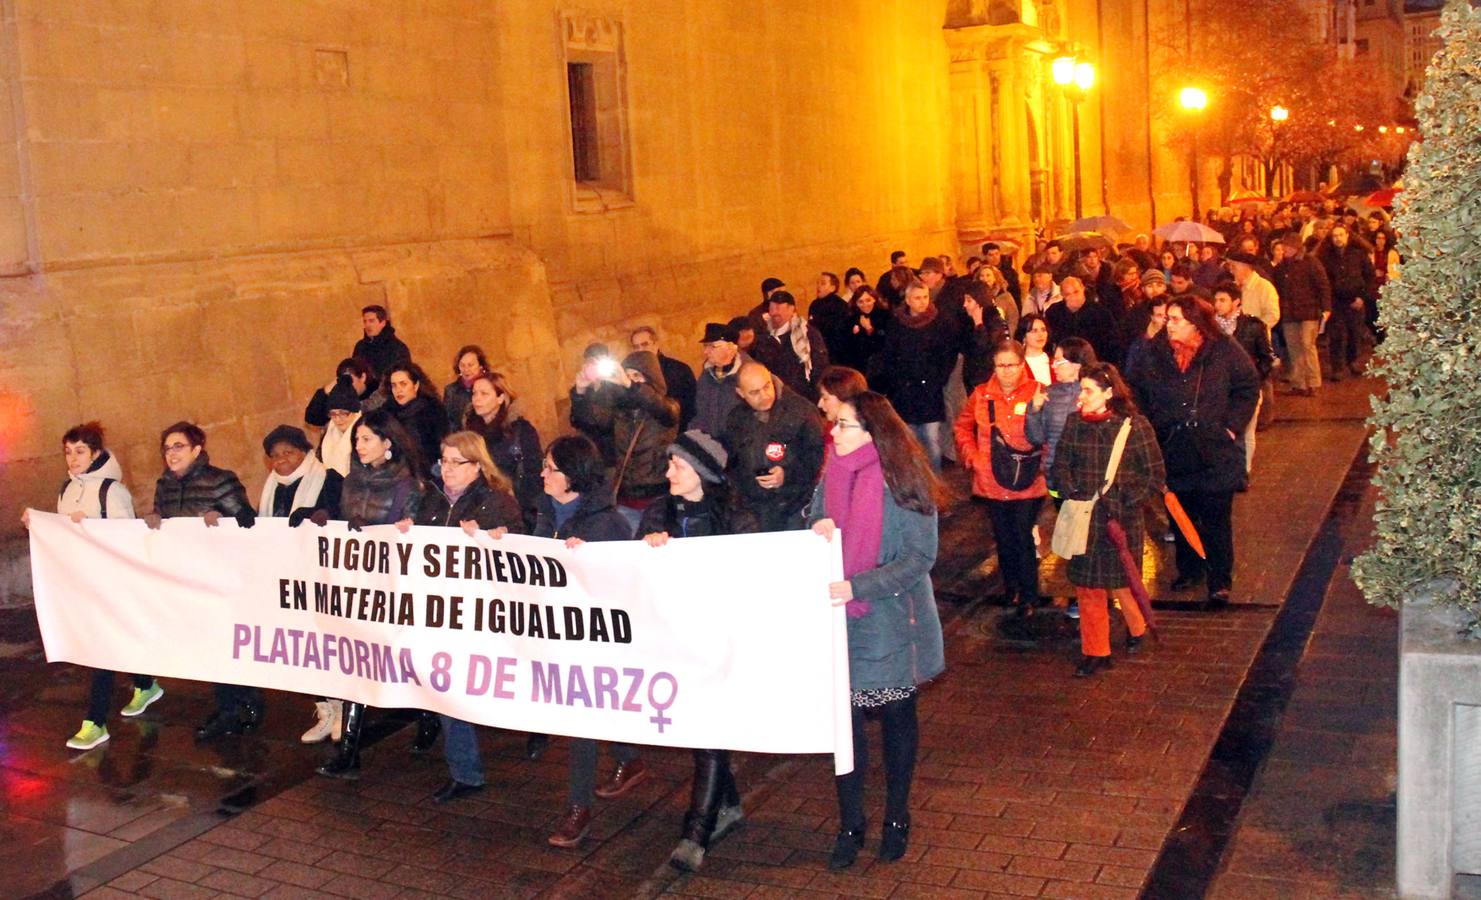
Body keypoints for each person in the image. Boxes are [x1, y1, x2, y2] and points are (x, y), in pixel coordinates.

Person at [810, 391, 945, 870]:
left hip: (890, 622)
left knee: (895, 724)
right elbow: (809, 522)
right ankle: (850, 822)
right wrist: (818, 527)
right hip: (838, 623)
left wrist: (858, 585)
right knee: (845, 731)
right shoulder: (832, 472)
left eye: (845, 425)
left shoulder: (902, 480)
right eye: (836, 423)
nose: (834, 432)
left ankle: (896, 817)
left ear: (873, 433)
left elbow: (918, 558)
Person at [639, 431, 752, 871]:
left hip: (721, 641)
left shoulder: (734, 516)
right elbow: (632, 571)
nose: (668, 473)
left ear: (702, 472)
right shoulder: (660, 513)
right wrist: (647, 546)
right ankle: (729, 804)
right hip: (676, 641)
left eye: (677, 466)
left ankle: (696, 831)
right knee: (698, 730)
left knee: (707, 732)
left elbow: (754, 568)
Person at [23, 422, 163, 751]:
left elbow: (126, 537)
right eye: (68, 452)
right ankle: (145, 683)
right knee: (111, 641)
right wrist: (40, 524)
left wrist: (91, 526)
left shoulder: (112, 492)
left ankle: (95, 722)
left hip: (111, 583)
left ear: (96, 453)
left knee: (101, 647)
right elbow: (62, 533)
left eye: (80, 451)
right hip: (84, 581)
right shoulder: (66, 489)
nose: (72, 459)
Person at [538, 435, 641, 848]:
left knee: (582, 717)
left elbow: (623, 586)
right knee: (597, 707)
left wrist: (588, 566)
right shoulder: (547, 512)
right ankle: (629, 756)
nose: (543, 475)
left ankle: (578, 809)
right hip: (560, 628)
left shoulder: (606, 523)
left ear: (573, 476)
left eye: (551, 469)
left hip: (595, 638)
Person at [1126, 297, 1259, 609]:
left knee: (1215, 518)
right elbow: (1136, 391)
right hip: (1173, 446)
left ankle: (1219, 580)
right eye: (1167, 318)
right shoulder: (1153, 352)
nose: (1167, 324)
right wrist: (1151, 427)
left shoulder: (1223, 349)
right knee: (1180, 513)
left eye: (1175, 319)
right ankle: (1189, 569)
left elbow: (1247, 386)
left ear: (1196, 323)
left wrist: (1230, 426)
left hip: (1214, 448)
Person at [416, 431, 526, 804]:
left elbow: (519, 557)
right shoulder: (430, 501)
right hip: (440, 613)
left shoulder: (497, 504)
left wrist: (493, 541)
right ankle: (465, 771)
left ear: (477, 466)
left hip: (482, 615)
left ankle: (533, 731)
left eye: (456, 462)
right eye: (443, 461)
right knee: (448, 690)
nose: (446, 469)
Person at [318, 410, 426, 778]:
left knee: (404, 660)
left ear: (387, 444)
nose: (359, 446)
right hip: (358, 587)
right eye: (357, 440)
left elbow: (416, 538)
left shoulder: (408, 487)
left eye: (366, 439)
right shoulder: (351, 482)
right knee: (355, 662)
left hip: (393, 589)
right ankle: (349, 751)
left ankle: (428, 716)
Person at [146, 422, 259, 741]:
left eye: (178, 446)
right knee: (210, 646)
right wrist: (155, 519)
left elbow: (248, 521)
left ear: (197, 449)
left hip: (221, 577)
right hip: (188, 578)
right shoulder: (165, 485)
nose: (171, 454)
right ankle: (232, 705)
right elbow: (165, 520)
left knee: (226, 643)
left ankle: (239, 706)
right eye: (167, 448)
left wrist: (223, 521)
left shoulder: (220, 479)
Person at [1052, 362, 1165, 677]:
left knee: (1124, 581)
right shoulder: (1075, 423)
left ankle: (1136, 627)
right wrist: (1070, 490)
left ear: (1109, 393)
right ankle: (1096, 651)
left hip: (1120, 521)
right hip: (1085, 519)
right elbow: (1061, 464)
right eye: (1081, 389)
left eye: (1088, 390)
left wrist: (1128, 501)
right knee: (1089, 588)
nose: (1081, 397)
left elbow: (1154, 474)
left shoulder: (1135, 427)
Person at [256, 425, 344, 744]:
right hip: (289, 577)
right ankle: (324, 709)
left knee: (328, 643)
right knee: (304, 648)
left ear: (304, 452)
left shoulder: (329, 478)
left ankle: (343, 707)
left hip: (322, 577)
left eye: (289, 452)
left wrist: (320, 514)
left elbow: (341, 516)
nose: (282, 460)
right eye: (275, 455)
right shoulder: (271, 488)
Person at [954, 341, 1049, 615]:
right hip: (991, 481)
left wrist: (1044, 461)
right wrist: (973, 457)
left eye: (1012, 365)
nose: (1006, 371)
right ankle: (1012, 589)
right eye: (1001, 365)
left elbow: (1049, 432)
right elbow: (962, 426)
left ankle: (1029, 593)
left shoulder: (1037, 392)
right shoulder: (982, 395)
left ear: (1022, 365)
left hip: (1029, 480)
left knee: (1022, 536)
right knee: (1004, 538)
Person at [570, 350, 680, 532]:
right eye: (627, 375)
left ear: (651, 378)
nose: (630, 381)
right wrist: (580, 393)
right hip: (626, 497)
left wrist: (628, 384)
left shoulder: (667, 406)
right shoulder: (619, 410)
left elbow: (662, 410)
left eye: (636, 375)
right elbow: (590, 424)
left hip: (658, 498)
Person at [721, 361, 827, 532]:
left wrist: (787, 475)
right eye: (754, 392)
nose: (764, 395)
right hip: (754, 509)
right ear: (740, 393)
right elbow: (732, 464)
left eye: (767, 386)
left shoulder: (802, 410)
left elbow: (816, 457)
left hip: (795, 505)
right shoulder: (736, 419)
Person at [874, 279, 960, 470]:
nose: (922, 302)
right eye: (918, 298)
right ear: (908, 300)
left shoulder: (940, 322)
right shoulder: (897, 323)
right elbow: (889, 354)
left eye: (925, 297)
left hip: (930, 389)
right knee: (911, 439)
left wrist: (939, 378)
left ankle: (935, 482)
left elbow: (948, 353)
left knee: (931, 439)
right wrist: (895, 381)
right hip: (904, 391)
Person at [462, 370, 543, 532]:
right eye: (474, 393)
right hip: (479, 509)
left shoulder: (521, 431)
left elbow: (533, 474)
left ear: (500, 398)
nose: (476, 399)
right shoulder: (470, 433)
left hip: (515, 508)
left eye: (484, 394)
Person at [1025, 338, 1098, 503]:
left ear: (1076, 364)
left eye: (1058, 361)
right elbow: (1037, 438)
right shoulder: (1049, 393)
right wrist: (1034, 410)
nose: (1053, 366)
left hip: (1091, 477)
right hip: (1056, 476)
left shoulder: (1096, 394)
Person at [1212, 283, 1277, 471]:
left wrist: (1255, 378)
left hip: (1246, 389)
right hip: (1219, 388)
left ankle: (1244, 471)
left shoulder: (1253, 326)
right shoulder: (1211, 327)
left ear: (1236, 302)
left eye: (1222, 300)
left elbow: (1267, 357)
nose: (1218, 304)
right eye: (1215, 300)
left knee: (1246, 431)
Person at [1272, 232, 1331, 397]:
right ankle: (1299, 383)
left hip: (1309, 312)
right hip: (1289, 313)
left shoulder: (1311, 263)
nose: (1285, 250)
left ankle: (1313, 382)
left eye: (1288, 247)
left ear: (1296, 247)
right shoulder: (1281, 267)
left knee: (1307, 345)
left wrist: (1326, 308)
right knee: (1294, 348)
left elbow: (1323, 285)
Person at [1317, 224, 1377, 380]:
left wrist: (1362, 297)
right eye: (1335, 236)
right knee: (1336, 335)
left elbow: (1369, 277)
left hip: (1356, 300)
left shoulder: (1358, 254)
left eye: (1341, 235)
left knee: (1354, 334)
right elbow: (1324, 281)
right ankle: (1337, 367)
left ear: (1347, 236)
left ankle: (1353, 361)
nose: (1338, 238)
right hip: (1336, 302)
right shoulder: (1325, 256)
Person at [751, 290, 829, 402]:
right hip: (775, 398)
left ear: (791, 309)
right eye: (771, 308)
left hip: (804, 397)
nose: (774, 313)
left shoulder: (807, 334)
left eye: (778, 308)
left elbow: (820, 366)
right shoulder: (763, 337)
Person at [384, 361, 447, 479]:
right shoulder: (386, 412)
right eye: (394, 385)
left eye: (403, 384)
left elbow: (441, 448)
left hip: (429, 475)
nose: (398, 390)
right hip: (394, 474)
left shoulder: (433, 411)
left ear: (416, 385)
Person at [631, 326, 698, 430]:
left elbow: (689, 406)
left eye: (645, 345)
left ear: (656, 344)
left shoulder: (678, 369)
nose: (640, 350)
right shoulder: (631, 374)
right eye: (636, 347)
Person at [1045, 276, 1119, 364]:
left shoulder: (1100, 312)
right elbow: (1049, 340)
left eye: (1076, 292)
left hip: (1094, 363)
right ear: (1062, 295)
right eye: (1068, 294)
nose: (1073, 297)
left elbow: (1112, 343)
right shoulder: (1054, 312)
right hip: (1064, 363)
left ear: (1083, 288)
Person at [693, 322, 749, 437]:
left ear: (731, 348)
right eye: (705, 346)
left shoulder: (749, 373)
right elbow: (700, 414)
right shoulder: (706, 376)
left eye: (712, 346)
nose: (705, 351)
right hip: (712, 445)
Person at [305, 357, 383, 427]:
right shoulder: (341, 395)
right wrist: (325, 391)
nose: (347, 385)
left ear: (363, 377)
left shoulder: (379, 392)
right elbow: (312, 418)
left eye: (350, 380)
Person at [316, 377, 363, 476]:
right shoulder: (328, 431)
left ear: (354, 412)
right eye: (333, 414)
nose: (337, 419)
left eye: (343, 413)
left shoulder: (366, 431)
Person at [836, 286, 889, 373]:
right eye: (861, 302)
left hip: (880, 367)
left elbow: (885, 341)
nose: (865, 305)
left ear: (874, 299)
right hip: (858, 366)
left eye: (868, 300)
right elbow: (845, 343)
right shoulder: (851, 319)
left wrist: (869, 329)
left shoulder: (885, 316)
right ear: (856, 303)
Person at [352, 304, 411, 379]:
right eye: (365, 321)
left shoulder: (397, 348)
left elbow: (402, 376)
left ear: (383, 323)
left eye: (371, 321)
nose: (367, 325)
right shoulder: (360, 347)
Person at [443, 345, 491, 432]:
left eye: (470, 365)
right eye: (462, 365)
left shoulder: (491, 387)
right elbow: (447, 421)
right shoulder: (451, 391)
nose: (466, 369)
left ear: (481, 366)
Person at [809, 272, 854, 364]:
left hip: (836, 353)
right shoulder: (814, 304)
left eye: (823, 283)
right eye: (818, 283)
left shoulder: (840, 305)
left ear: (833, 288)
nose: (818, 286)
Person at [1015, 314, 1052, 386]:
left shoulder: (1055, 363)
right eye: (1034, 331)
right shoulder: (1017, 365)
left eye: (1043, 330)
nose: (1040, 335)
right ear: (1024, 337)